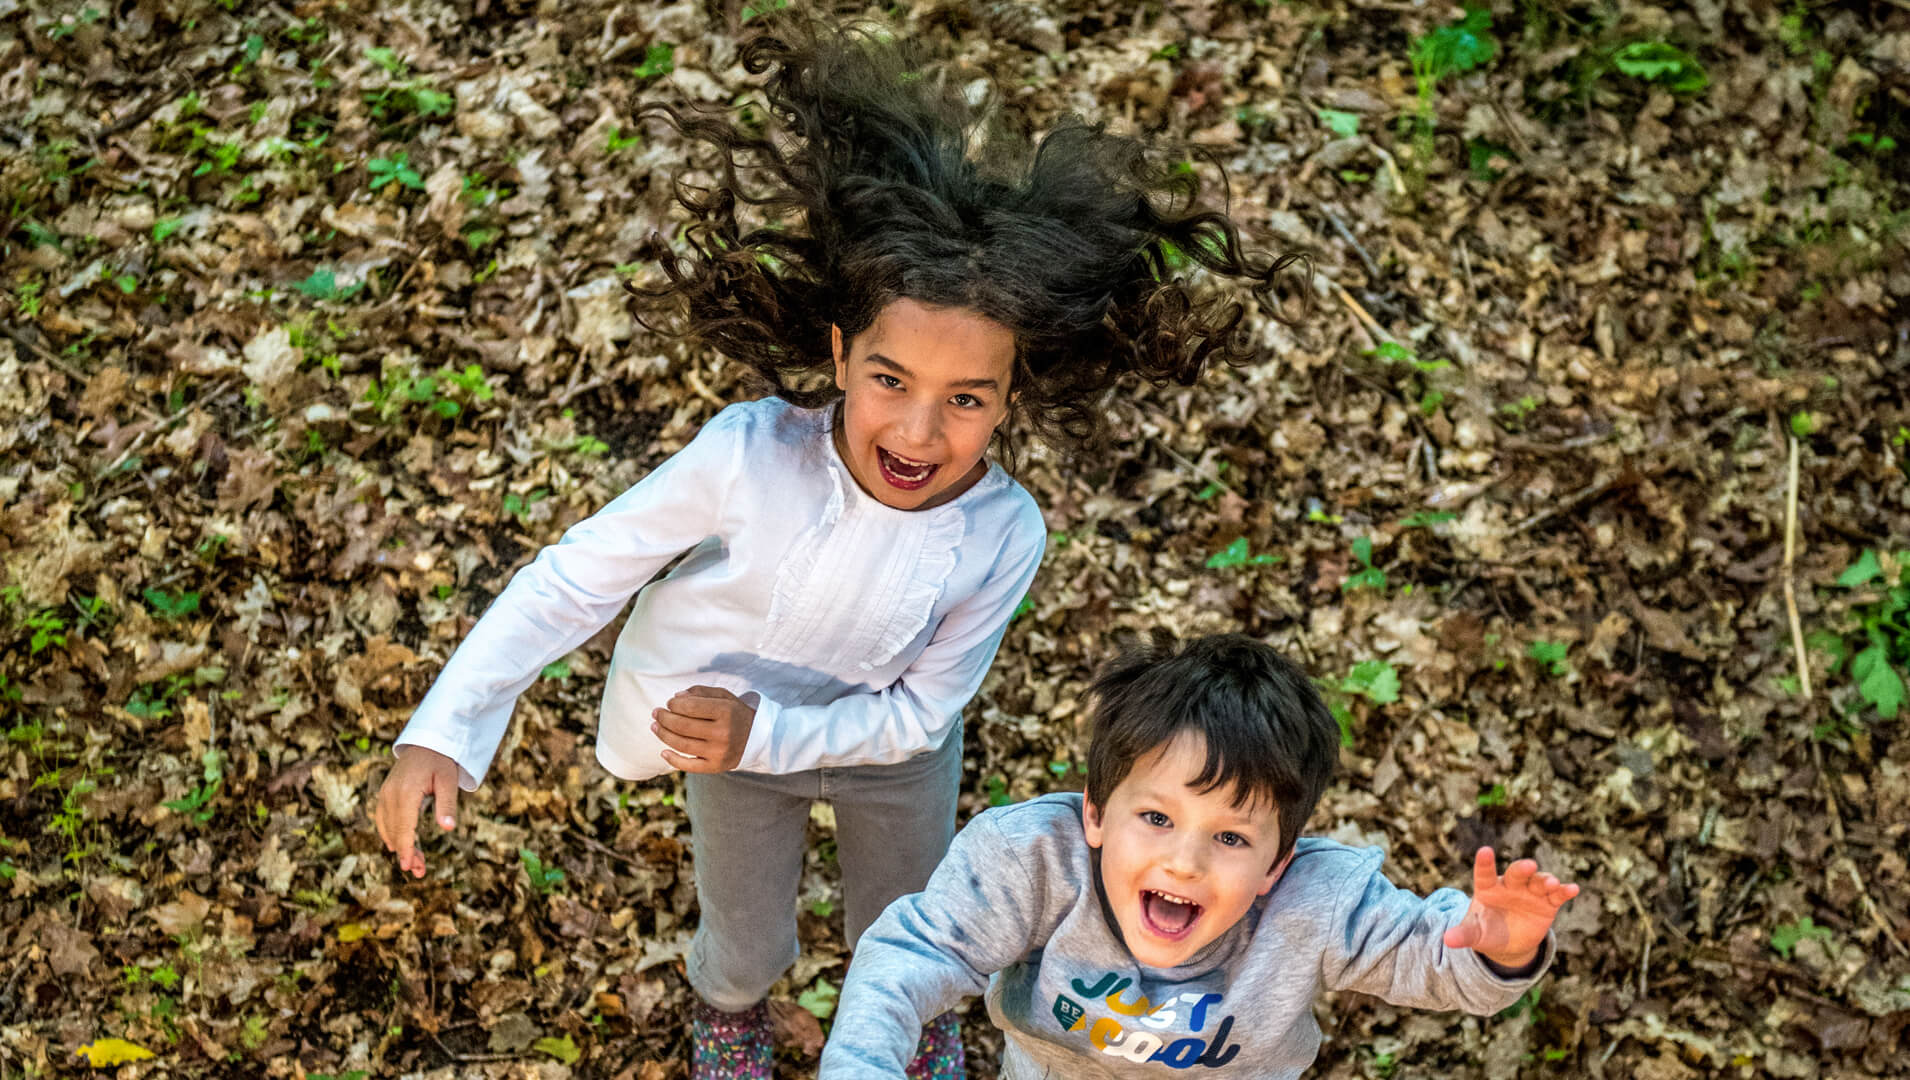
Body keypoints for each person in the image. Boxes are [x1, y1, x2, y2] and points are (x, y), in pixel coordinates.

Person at [371, 17, 1295, 1079]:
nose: (916, 433)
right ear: (839, 351)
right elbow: (579, 575)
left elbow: (920, 710)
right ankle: (725, 1007)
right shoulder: (746, 457)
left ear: (1009, 399)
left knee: (904, 919)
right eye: (890, 380)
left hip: (886, 755)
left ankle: (919, 1014)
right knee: (747, 930)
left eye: (964, 400)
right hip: (723, 741)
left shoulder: (1003, 534)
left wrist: (766, 734)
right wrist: (448, 724)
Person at [820, 632, 1583, 1078]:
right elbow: (915, 950)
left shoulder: (1313, 903)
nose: (1185, 862)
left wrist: (1504, 950)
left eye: (1230, 837)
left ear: (1277, 865)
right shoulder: (1033, 862)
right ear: (1095, 811)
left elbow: (1432, 958)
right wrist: (861, 1063)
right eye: (1155, 816)